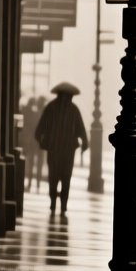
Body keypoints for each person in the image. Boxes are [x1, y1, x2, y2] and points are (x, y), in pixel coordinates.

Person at [35, 83, 88, 216]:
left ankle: (53, 202)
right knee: (66, 177)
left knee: (53, 177)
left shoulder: (51, 107)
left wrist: (42, 141)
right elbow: (81, 129)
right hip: (68, 151)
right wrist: (84, 143)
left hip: (53, 150)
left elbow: (39, 129)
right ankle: (63, 205)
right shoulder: (74, 109)